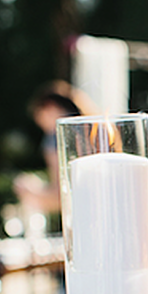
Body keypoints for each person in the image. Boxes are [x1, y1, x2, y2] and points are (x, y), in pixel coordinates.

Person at [14, 82, 85, 214]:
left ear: (50, 107)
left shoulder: (55, 138)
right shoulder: (93, 131)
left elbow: (62, 196)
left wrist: (30, 192)